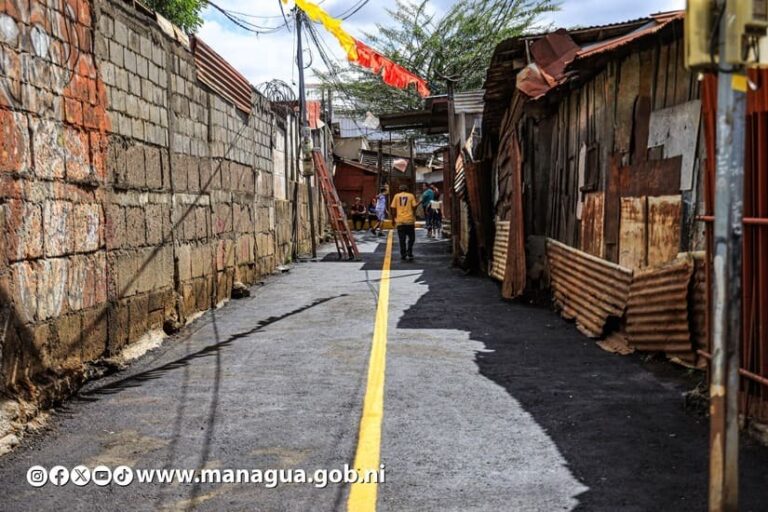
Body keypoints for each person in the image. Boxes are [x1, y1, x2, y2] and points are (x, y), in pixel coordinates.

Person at [391, 184, 418, 261]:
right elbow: (414, 207)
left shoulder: (396, 196)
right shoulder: (411, 196)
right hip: (409, 221)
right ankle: (409, 251)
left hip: (400, 221)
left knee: (401, 239)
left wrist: (393, 219)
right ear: (407, 189)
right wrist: (419, 203)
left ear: (400, 190)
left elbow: (393, 208)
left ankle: (403, 254)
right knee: (412, 238)